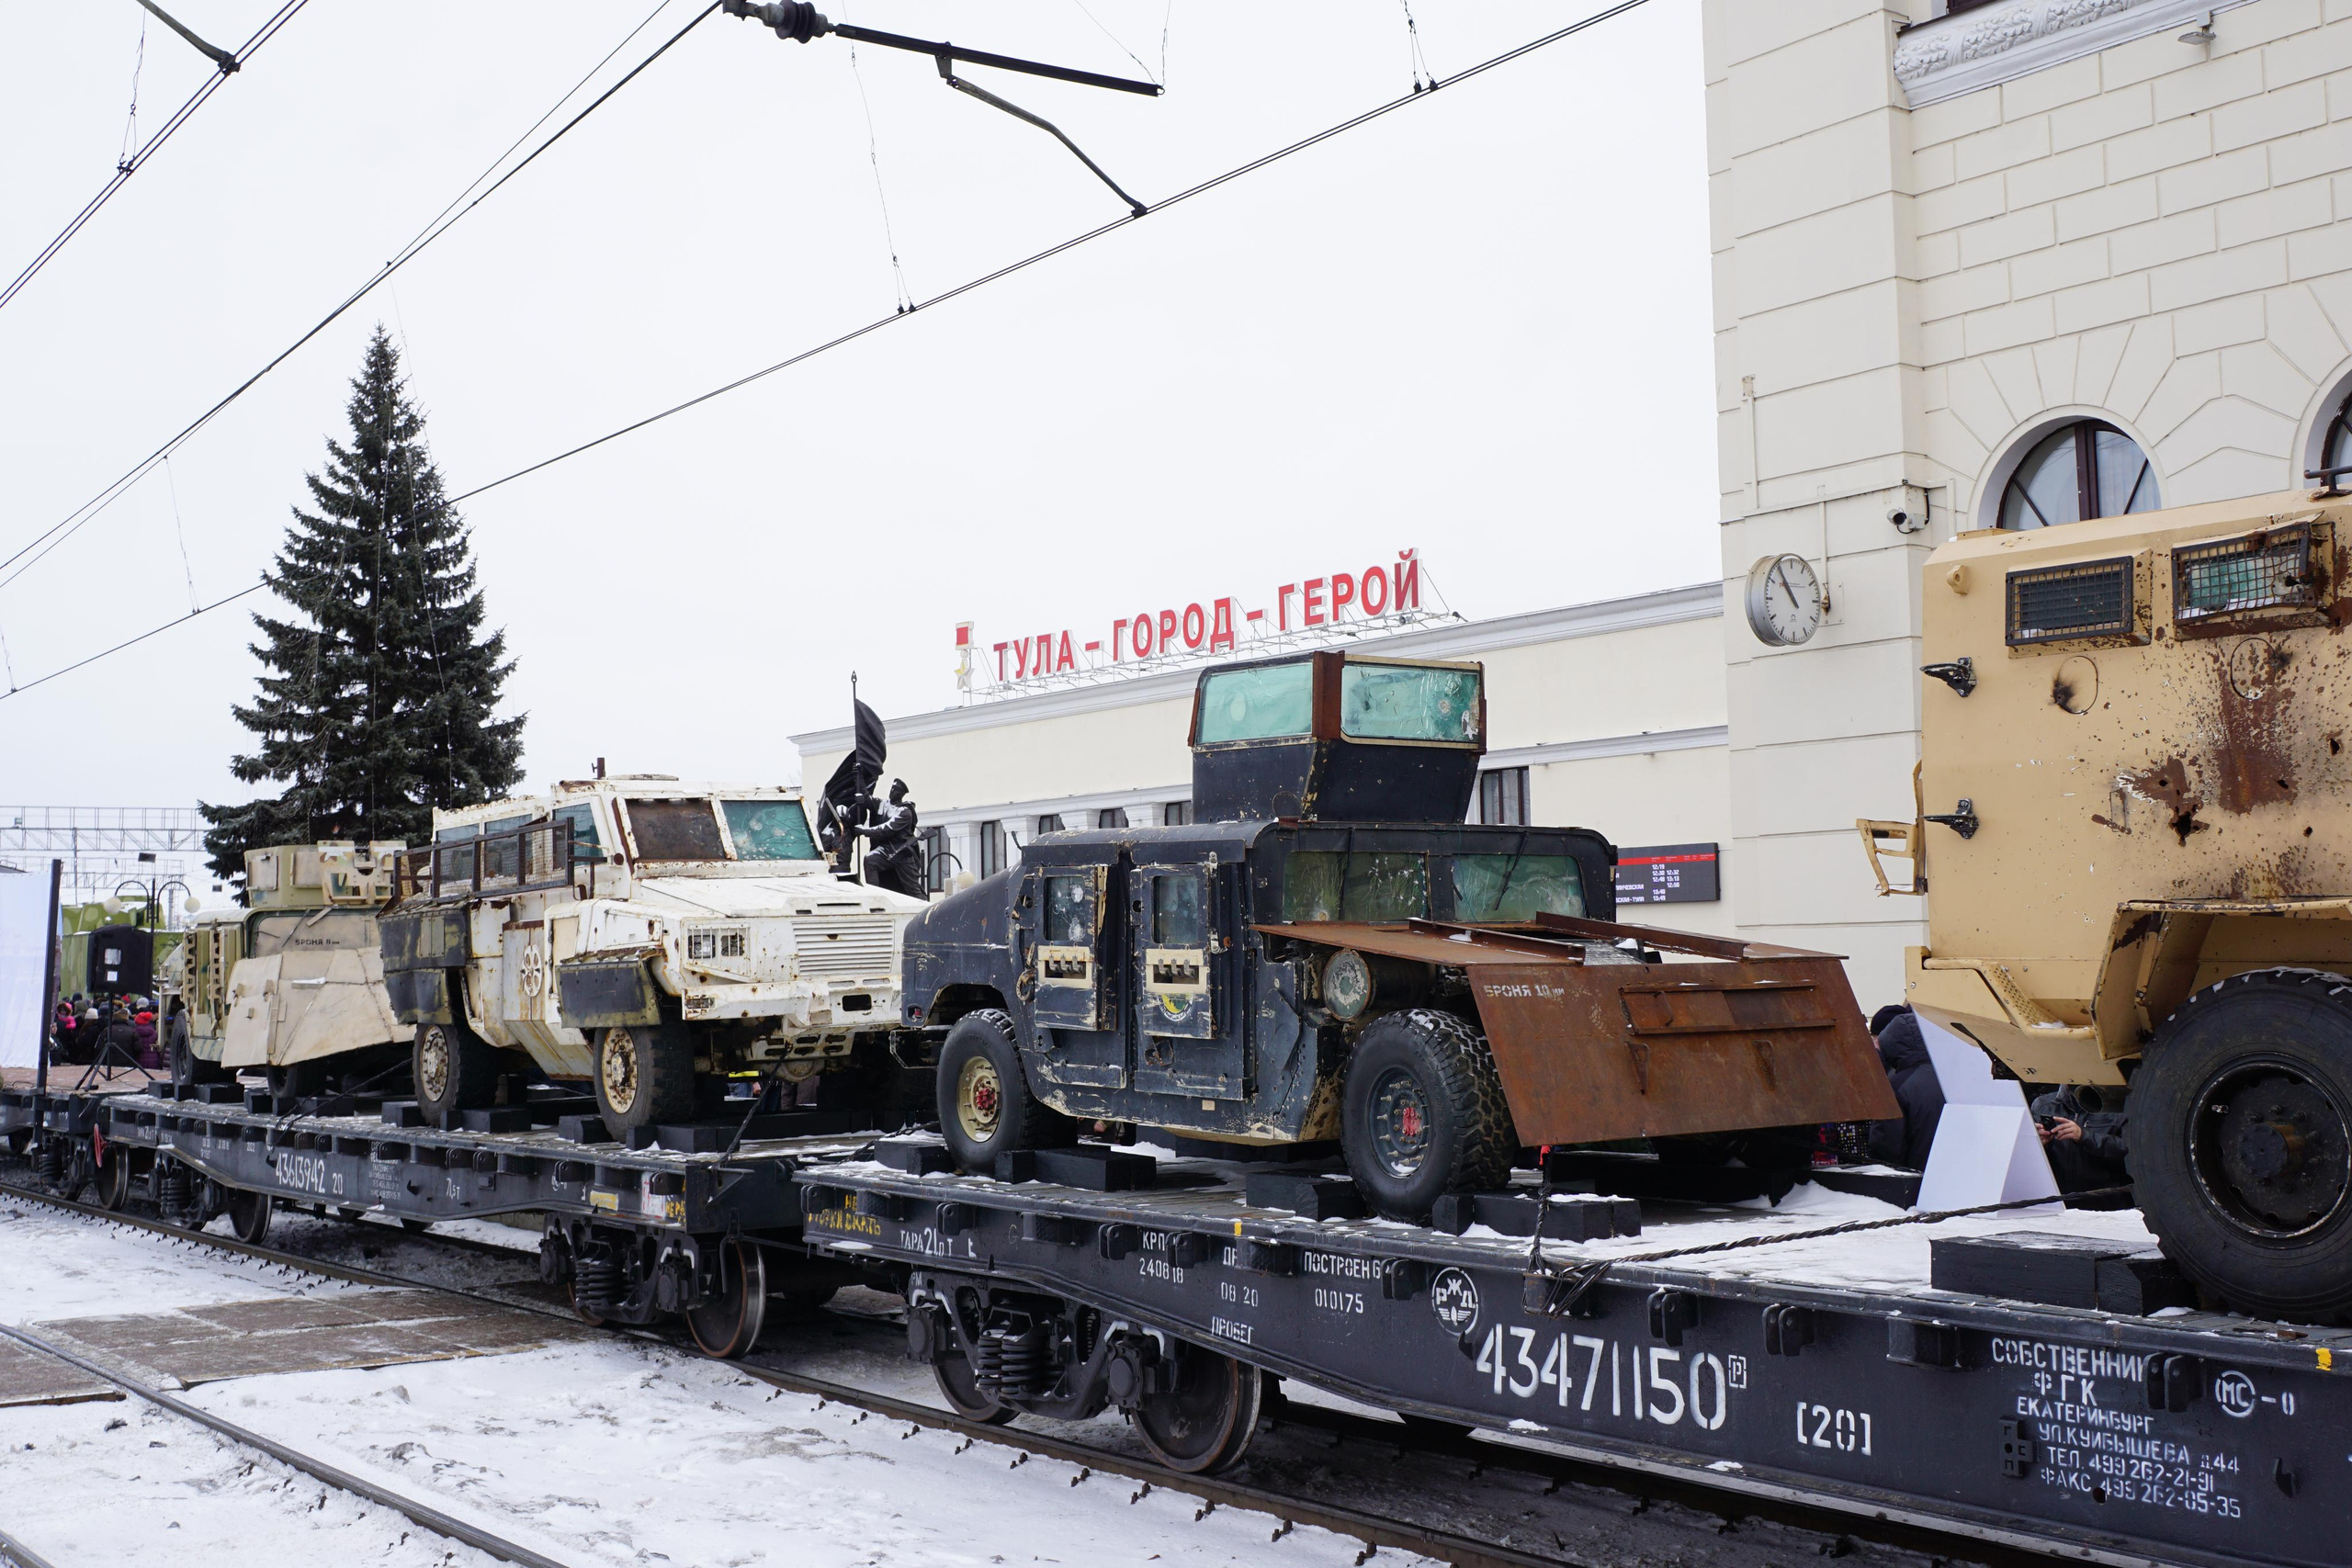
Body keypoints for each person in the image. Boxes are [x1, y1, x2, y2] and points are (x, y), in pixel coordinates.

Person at [1865, 1005, 1946, 1172]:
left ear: (1889, 1042)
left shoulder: (1895, 1085)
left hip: (1913, 1181)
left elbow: (1886, 1145)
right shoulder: (1950, 1076)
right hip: (1953, 1174)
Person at [2032, 1083, 2132, 1206]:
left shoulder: (2120, 1104)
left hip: (2109, 1202)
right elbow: (2030, 1162)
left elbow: (2133, 1152)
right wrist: (2038, 1144)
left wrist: (2084, 1136)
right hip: (2059, 1203)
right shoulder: (2043, 1105)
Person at [854, 779, 926, 899]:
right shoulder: (882, 804)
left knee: (912, 889)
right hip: (886, 850)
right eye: (892, 788)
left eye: (896, 790)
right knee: (870, 859)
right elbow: (867, 799)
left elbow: (886, 829)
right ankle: (875, 897)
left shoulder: (905, 811)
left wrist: (863, 831)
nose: (892, 791)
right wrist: (860, 777)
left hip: (901, 852)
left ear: (901, 794)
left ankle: (926, 910)